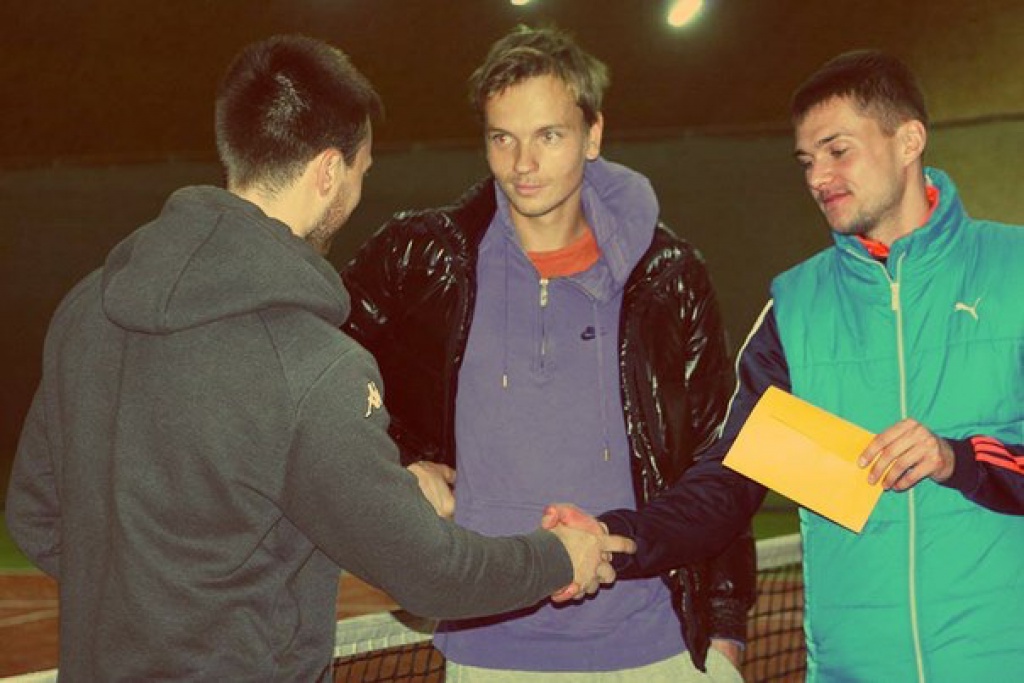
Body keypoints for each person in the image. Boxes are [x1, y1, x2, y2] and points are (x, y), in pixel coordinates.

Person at [3, 34, 634, 682]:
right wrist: (562, 555)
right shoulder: (315, 367)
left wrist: (159, 616)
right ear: (329, 171)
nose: (358, 188)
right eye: (362, 171)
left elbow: (36, 516)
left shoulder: (86, 309)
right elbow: (432, 575)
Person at [546, 49, 1024, 682]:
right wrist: (618, 537)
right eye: (806, 160)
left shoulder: (1014, 270)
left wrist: (958, 459)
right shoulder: (796, 308)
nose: (818, 177)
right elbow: (728, 482)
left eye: (837, 151)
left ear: (909, 141)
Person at [342, 25, 755, 682]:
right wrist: (397, 465)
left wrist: (726, 626)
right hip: (487, 651)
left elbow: (719, 455)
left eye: (549, 136)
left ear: (593, 135)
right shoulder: (423, 258)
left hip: (653, 647)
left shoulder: (669, 276)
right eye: (502, 138)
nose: (521, 164)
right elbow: (317, 367)